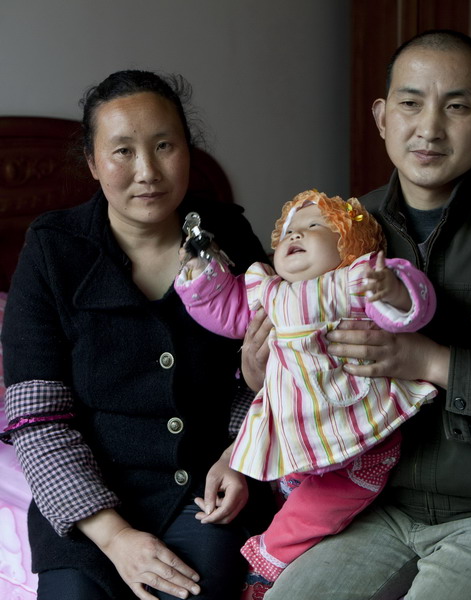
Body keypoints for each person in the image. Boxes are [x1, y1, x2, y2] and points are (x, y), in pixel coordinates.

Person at [253, 30, 471, 600]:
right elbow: (302, 375)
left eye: (457, 106)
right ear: (382, 116)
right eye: (411, 104)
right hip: (373, 505)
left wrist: (432, 360)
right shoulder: (341, 230)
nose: (430, 128)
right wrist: (257, 364)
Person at [0, 70, 274, 600]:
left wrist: (239, 454)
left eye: (164, 145)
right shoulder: (53, 251)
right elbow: (37, 420)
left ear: (187, 151)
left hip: (208, 488)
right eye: (122, 151)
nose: (147, 171)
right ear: (92, 162)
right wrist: (117, 536)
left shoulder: (228, 236)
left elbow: (269, 376)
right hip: (89, 509)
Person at [174, 189, 437, 597]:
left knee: (311, 514)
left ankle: (267, 562)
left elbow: (409, 312)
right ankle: (290, 551)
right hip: (297, 435)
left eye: (314, 227)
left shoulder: (351, 279)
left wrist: (390, 288)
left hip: (357, 436)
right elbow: (226, 312)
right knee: (291, 495)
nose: (295, 235)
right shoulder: (269, 290)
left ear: (349, 244)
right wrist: (201, 276)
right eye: (288, 232)